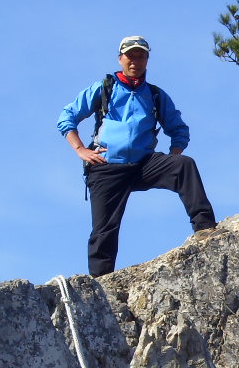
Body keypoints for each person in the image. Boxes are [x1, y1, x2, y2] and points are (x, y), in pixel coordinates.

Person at [58, 35, 217, 277]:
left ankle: (205, 228)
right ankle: (101, 283)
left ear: (147, 60)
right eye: (130, 56)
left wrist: (174, 152)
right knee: (104, 230)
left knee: (183, 165)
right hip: (106, 165)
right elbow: (66, 117)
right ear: (120, 58)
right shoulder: (104, 88)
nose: (135, 61)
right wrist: (81, 150)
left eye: (140, 56)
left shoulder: (154, 95)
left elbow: (179, 129)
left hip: (144, 163)